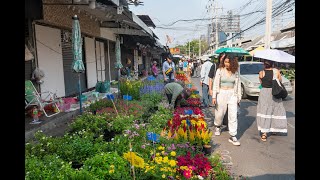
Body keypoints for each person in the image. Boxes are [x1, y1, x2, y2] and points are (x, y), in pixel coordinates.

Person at [212, 53, 241, 146]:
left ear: (232, 62)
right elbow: (215, 83)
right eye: (225, 62)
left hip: (232, 94)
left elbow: (238, 84)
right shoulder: (220, 70)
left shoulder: (236, 71)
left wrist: (238, 97)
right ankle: (217, 126)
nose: (226, 64)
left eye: (228, 62)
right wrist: (214, 96)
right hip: (221, 93)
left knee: (233, 115)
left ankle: (233, 135)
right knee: (220, 113)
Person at [256, 60, 287, 142]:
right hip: (274, 92)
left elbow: (261, 84)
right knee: (274, 111)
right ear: (272, 64)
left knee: (265, 112)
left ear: (264, 65)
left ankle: (264, 133)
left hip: (264, 93)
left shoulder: (261, 72)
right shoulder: (276, 71)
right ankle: (274, 128)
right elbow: (280, 81)